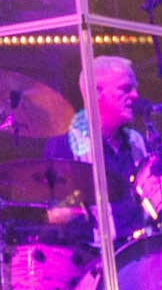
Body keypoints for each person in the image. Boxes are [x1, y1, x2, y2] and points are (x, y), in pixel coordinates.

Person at [44, 55, 148, 239]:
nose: (135, 95)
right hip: (96, 259)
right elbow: (57, 213)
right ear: (96, 93)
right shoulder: (65, 145)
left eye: (135, 88)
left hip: (142, 251)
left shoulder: (136, 142)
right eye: (125, 89)